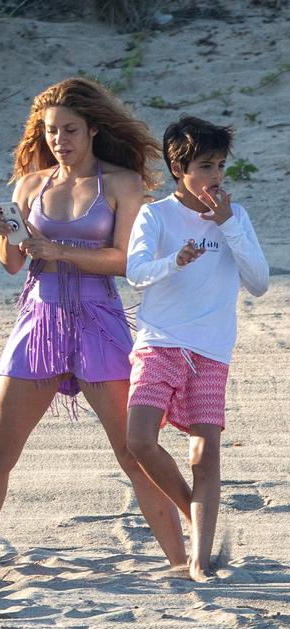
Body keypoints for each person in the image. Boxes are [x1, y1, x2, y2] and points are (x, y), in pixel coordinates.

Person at [0, 77, 188, 570]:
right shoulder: (30, 185)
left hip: (100, 324)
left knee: (133, 454)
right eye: (51, 131)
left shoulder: (121, 183)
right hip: (39, 322)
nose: (59, 140)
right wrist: (5, 235)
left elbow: (126, 261)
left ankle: (184, 560)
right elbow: (14, 264)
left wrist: (58, 250)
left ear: (93, 129)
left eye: (70, 130)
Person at [125, 116, 269, 582]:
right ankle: (196, 515)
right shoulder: (156, 215)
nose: (216, 176)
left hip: (211, 349)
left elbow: (259, 283)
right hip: (160, 341)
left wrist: (229, 225)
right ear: (178, 168)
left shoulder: (235, 216)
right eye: (205, 166)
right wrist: (175, 260)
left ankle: (200, 561)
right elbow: (136, 272)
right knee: (139, 440)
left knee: (205, 454)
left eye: (221, 165)